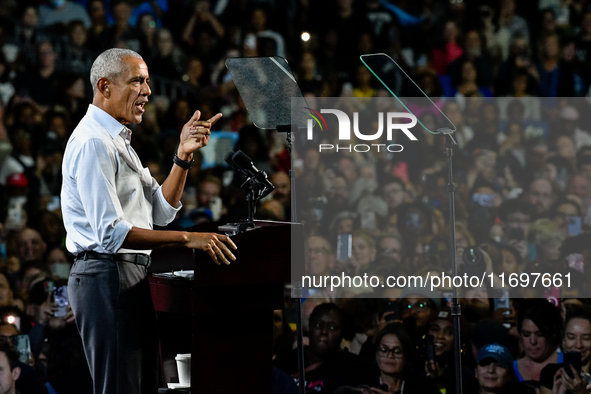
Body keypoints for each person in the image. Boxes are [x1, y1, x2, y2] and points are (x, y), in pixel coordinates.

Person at [61, 48, 237, 394]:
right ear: (105, 86)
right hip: (106, 274)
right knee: (120, 388)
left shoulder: (119, 141)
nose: (148, 91)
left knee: (139, 387)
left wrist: (183, 156)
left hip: (129, 275)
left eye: (148, 81)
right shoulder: (94, 142)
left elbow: (160, 211)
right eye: (137, 81)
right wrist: (188, 239)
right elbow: (112, 234)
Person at [369, 323, 439, 393]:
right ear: (376, 354)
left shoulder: (425, 388)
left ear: (406, 355)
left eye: (397, 351)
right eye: (384, 350)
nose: (390, 356)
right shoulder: (365, 386)